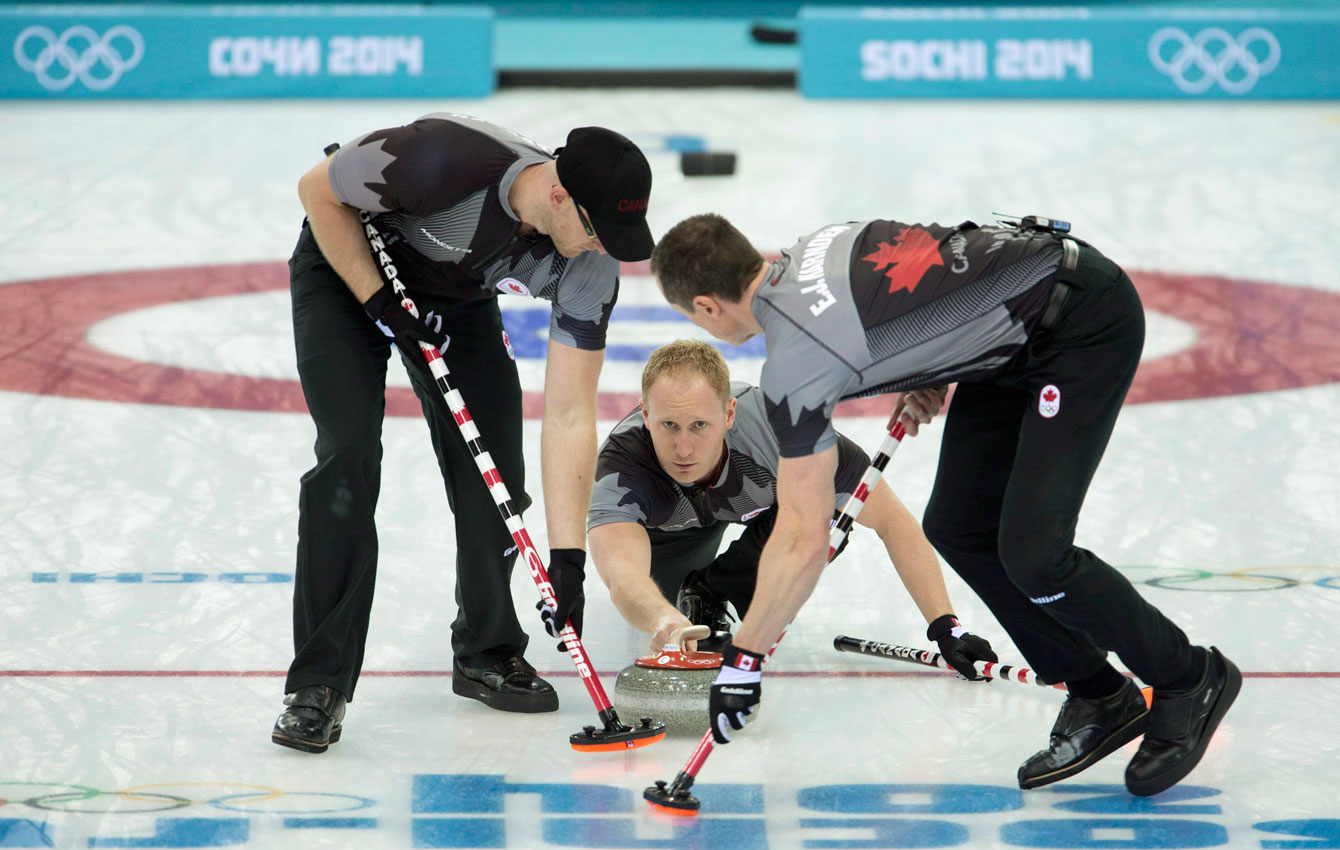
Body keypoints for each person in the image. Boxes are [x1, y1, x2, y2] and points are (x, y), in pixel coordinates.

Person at [649, 213, 1239, 798]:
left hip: (1080, 325)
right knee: (959, 526)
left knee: (1038, 556)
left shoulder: (794, 371)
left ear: (706, 307)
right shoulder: (816, 244)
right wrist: (923, 360)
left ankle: (1189, 676)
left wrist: (745, 658)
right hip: (1013, 334)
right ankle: (1098, 692)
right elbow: (929, 265)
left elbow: (803, 534)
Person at [271, 113, 653, 754]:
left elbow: (565, 415)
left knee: (496, 474)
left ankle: (486, 649)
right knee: (346, 457)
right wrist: (377, 301)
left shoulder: (592, 267)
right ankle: (318, 684)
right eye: (595, 228)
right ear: (558, 194)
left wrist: (567, 559)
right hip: (352, 270)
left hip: (457, 296)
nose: (600, 246)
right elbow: (318, 191)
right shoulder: (437, 160)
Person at [578, 339, 996, 681]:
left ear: (729, 414)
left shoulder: (780, 430)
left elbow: (890, 520)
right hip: (668, 539)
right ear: (646, 415)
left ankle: (714, 590)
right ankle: (684, 595)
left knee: (830, 516)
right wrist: (660, 617)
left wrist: (946, 627)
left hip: (745, 511)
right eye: (669, 425)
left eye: (699, 426)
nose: (684, 449)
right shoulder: (623, 464)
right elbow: (623, 574)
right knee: (664, 606)